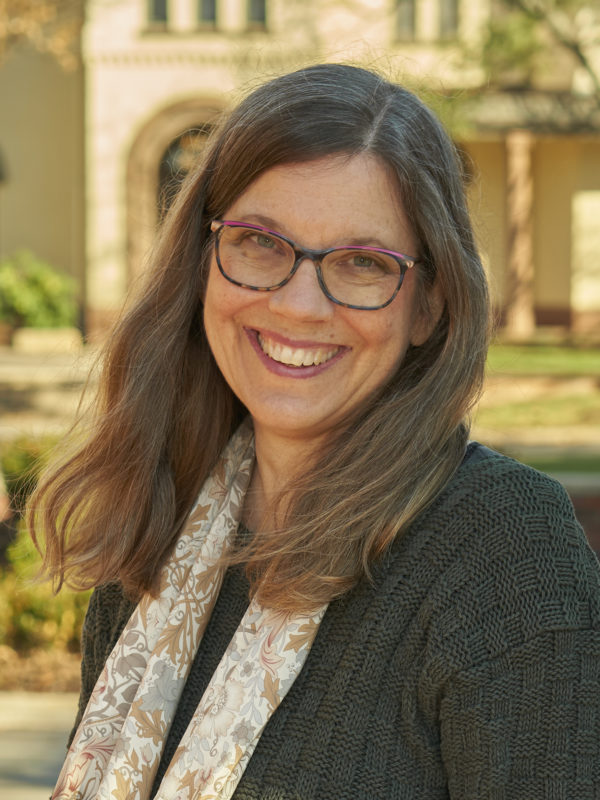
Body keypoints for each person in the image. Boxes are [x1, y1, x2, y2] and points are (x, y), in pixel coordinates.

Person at [29, 64, 599, 800]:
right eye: (261, 244)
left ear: (429, 305)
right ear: (204, 262)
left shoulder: (503, 554)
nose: (300, 304)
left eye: (363, 263)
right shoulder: (159, 535)